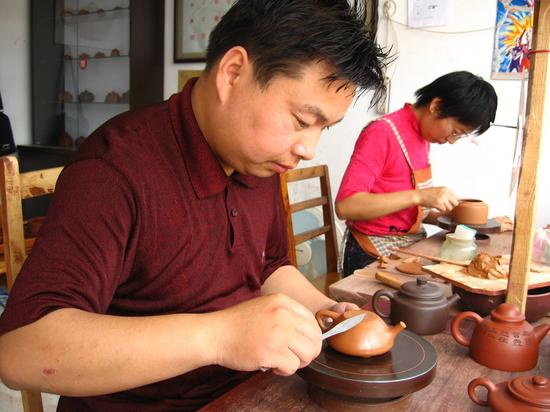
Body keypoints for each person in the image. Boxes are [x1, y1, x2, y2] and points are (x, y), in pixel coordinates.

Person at [0, 1, 388, 410]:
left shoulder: (258, 160)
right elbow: (21, 351)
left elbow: (269, 266)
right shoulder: (115, 170)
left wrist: (326, 310)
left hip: (243, 394)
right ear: (233, 73)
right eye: (302, 121)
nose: (309, 148)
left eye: (325, 128)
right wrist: (219, 337)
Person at [335, 71, 497, 277]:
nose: (451, 141)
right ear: (436, 106)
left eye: (459, 136)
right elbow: (346, 206)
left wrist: (448, 215)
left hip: (405, 245)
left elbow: (407, 211)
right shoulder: (381, 133)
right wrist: (419, 196)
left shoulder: (422, 138)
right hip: (369, 252)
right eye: (455, 131)